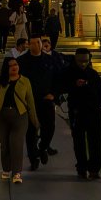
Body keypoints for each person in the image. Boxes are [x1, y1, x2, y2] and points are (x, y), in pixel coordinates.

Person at [0, 55, 38, 183]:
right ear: (6, 68)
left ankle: (17, 173)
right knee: (5, 145)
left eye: (16, 65)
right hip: (2, 117)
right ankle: (6, 169)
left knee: (17, 144)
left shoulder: (25, 81)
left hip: (20, 116)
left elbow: (30, 102)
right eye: (11, 66)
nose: (14, 67)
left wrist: (34, 120)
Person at [17, 36, 62, 170]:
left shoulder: (50, 60)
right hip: (29, 102)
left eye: (38, 42)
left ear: (41, 44)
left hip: (46, 100)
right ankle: (33, 158)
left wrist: (54, 94)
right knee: (30, 132)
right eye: (32, 43)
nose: (35, 45)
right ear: (28, 45)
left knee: (49, 128)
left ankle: (43, 147)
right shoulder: (22, 61)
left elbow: (58, 79)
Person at [66, 48, 101, 179]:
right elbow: (64, 86)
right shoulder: (70, 73)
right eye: (80, 61)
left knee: (94, 140)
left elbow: (99, 93)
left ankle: (93, 168)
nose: (83, 64)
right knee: (79, 141)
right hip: (78, 111)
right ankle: (82, 167)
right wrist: (75, 85)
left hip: (92, 111)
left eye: (85, 61)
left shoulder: (93, 74)